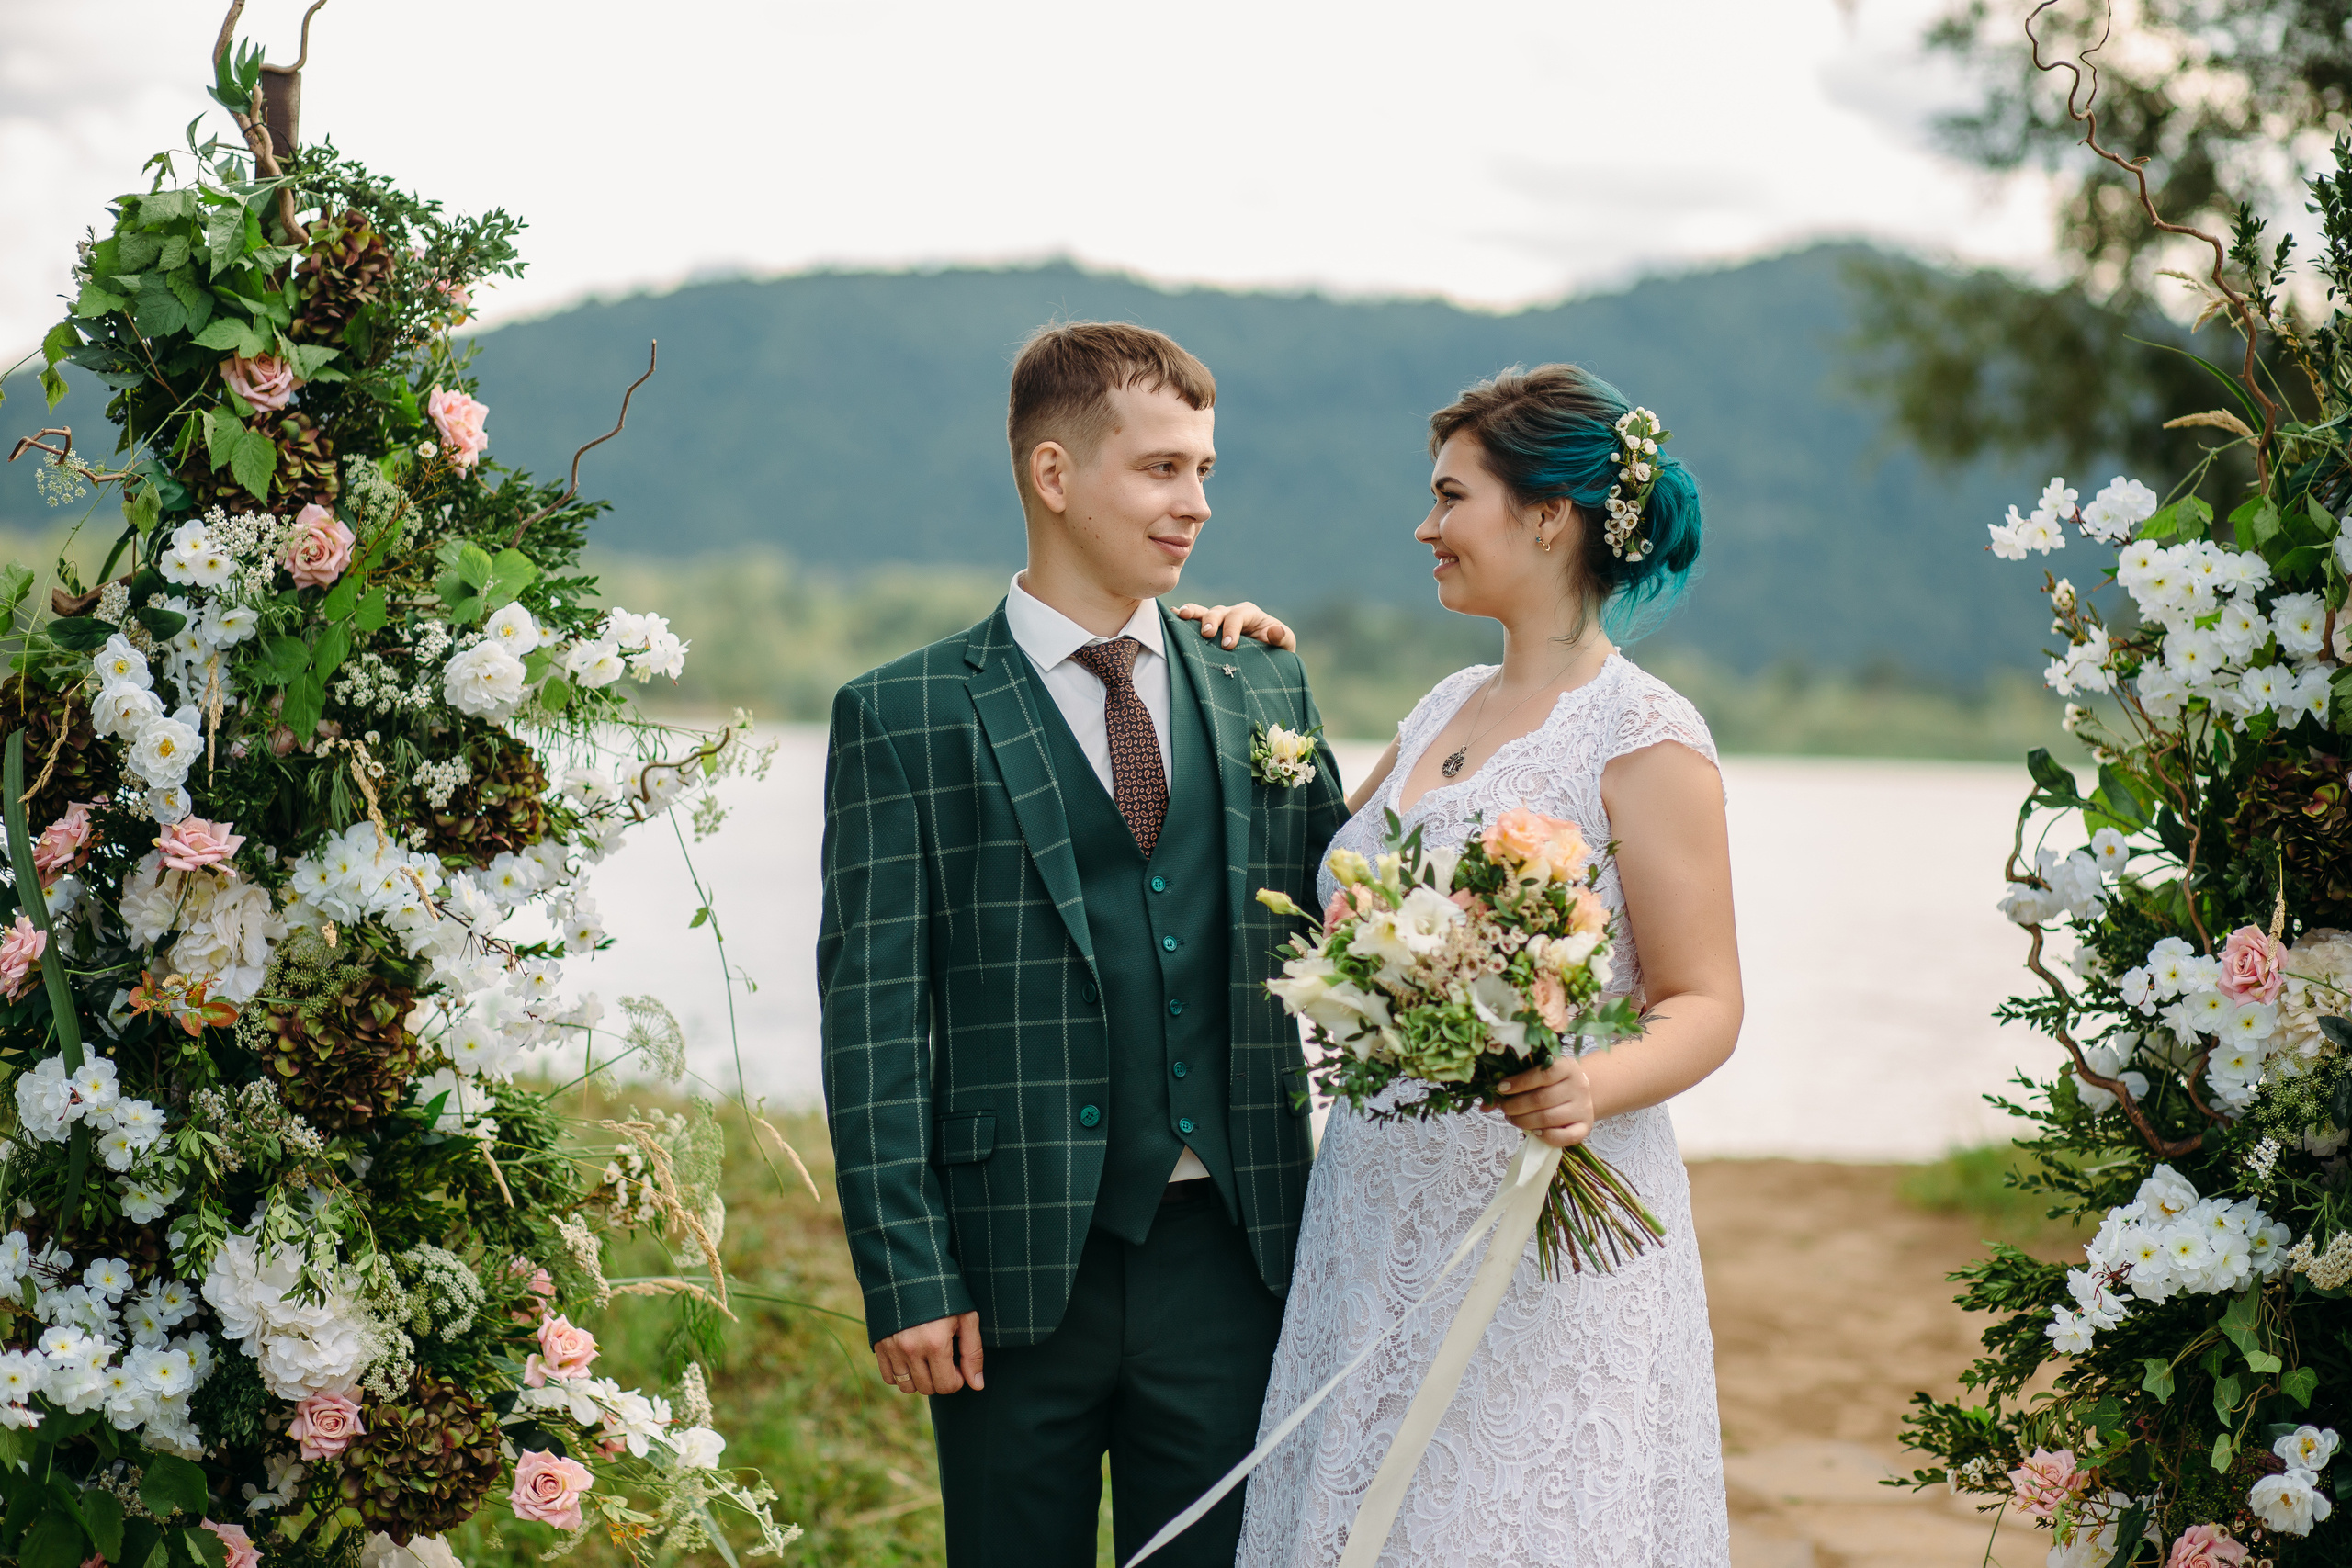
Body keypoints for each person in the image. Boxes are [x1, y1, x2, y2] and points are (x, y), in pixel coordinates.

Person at [820, 320, 1449, 1565]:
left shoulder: (1263, 683)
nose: (1198, 504)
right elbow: (874, 1018)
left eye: (1205, 471)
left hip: (1238, 1252)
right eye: (1163, 470)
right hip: (1008, 1272)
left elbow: (1344, 918)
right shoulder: (907, 714)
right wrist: (907, 1275)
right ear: (1055, 476)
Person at [1238, 365, 1743, 1566]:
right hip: (1374, 1202)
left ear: (1548, 518)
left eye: (1451, 497)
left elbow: (1706, 1003)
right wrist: (1248, 676)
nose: (1426, 527)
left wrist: (1585, 1085)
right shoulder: (1444, 703)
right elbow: (1325, 883)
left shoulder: (1645, 736)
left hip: (1535, 1219)